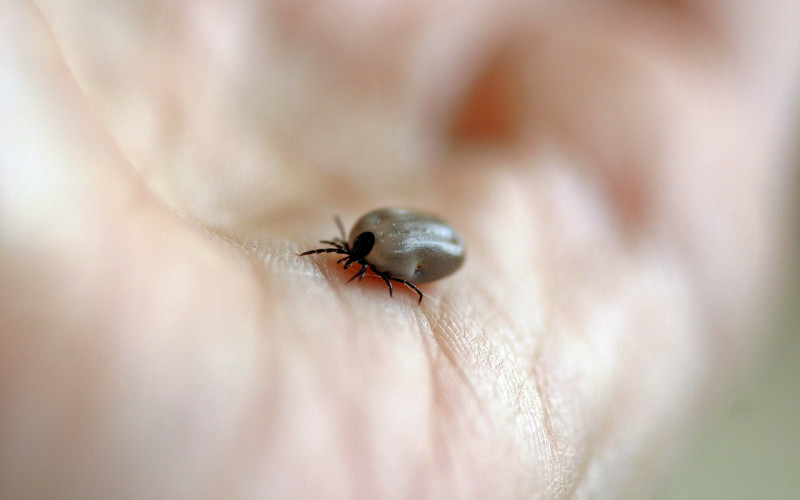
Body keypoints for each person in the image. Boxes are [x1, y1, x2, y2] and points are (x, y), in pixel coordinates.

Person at [1, 1, 798, 497]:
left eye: (355, 261)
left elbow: (401, 255)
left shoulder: (379, 246)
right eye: (355, 261)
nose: (350, 266)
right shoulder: (376, 248)